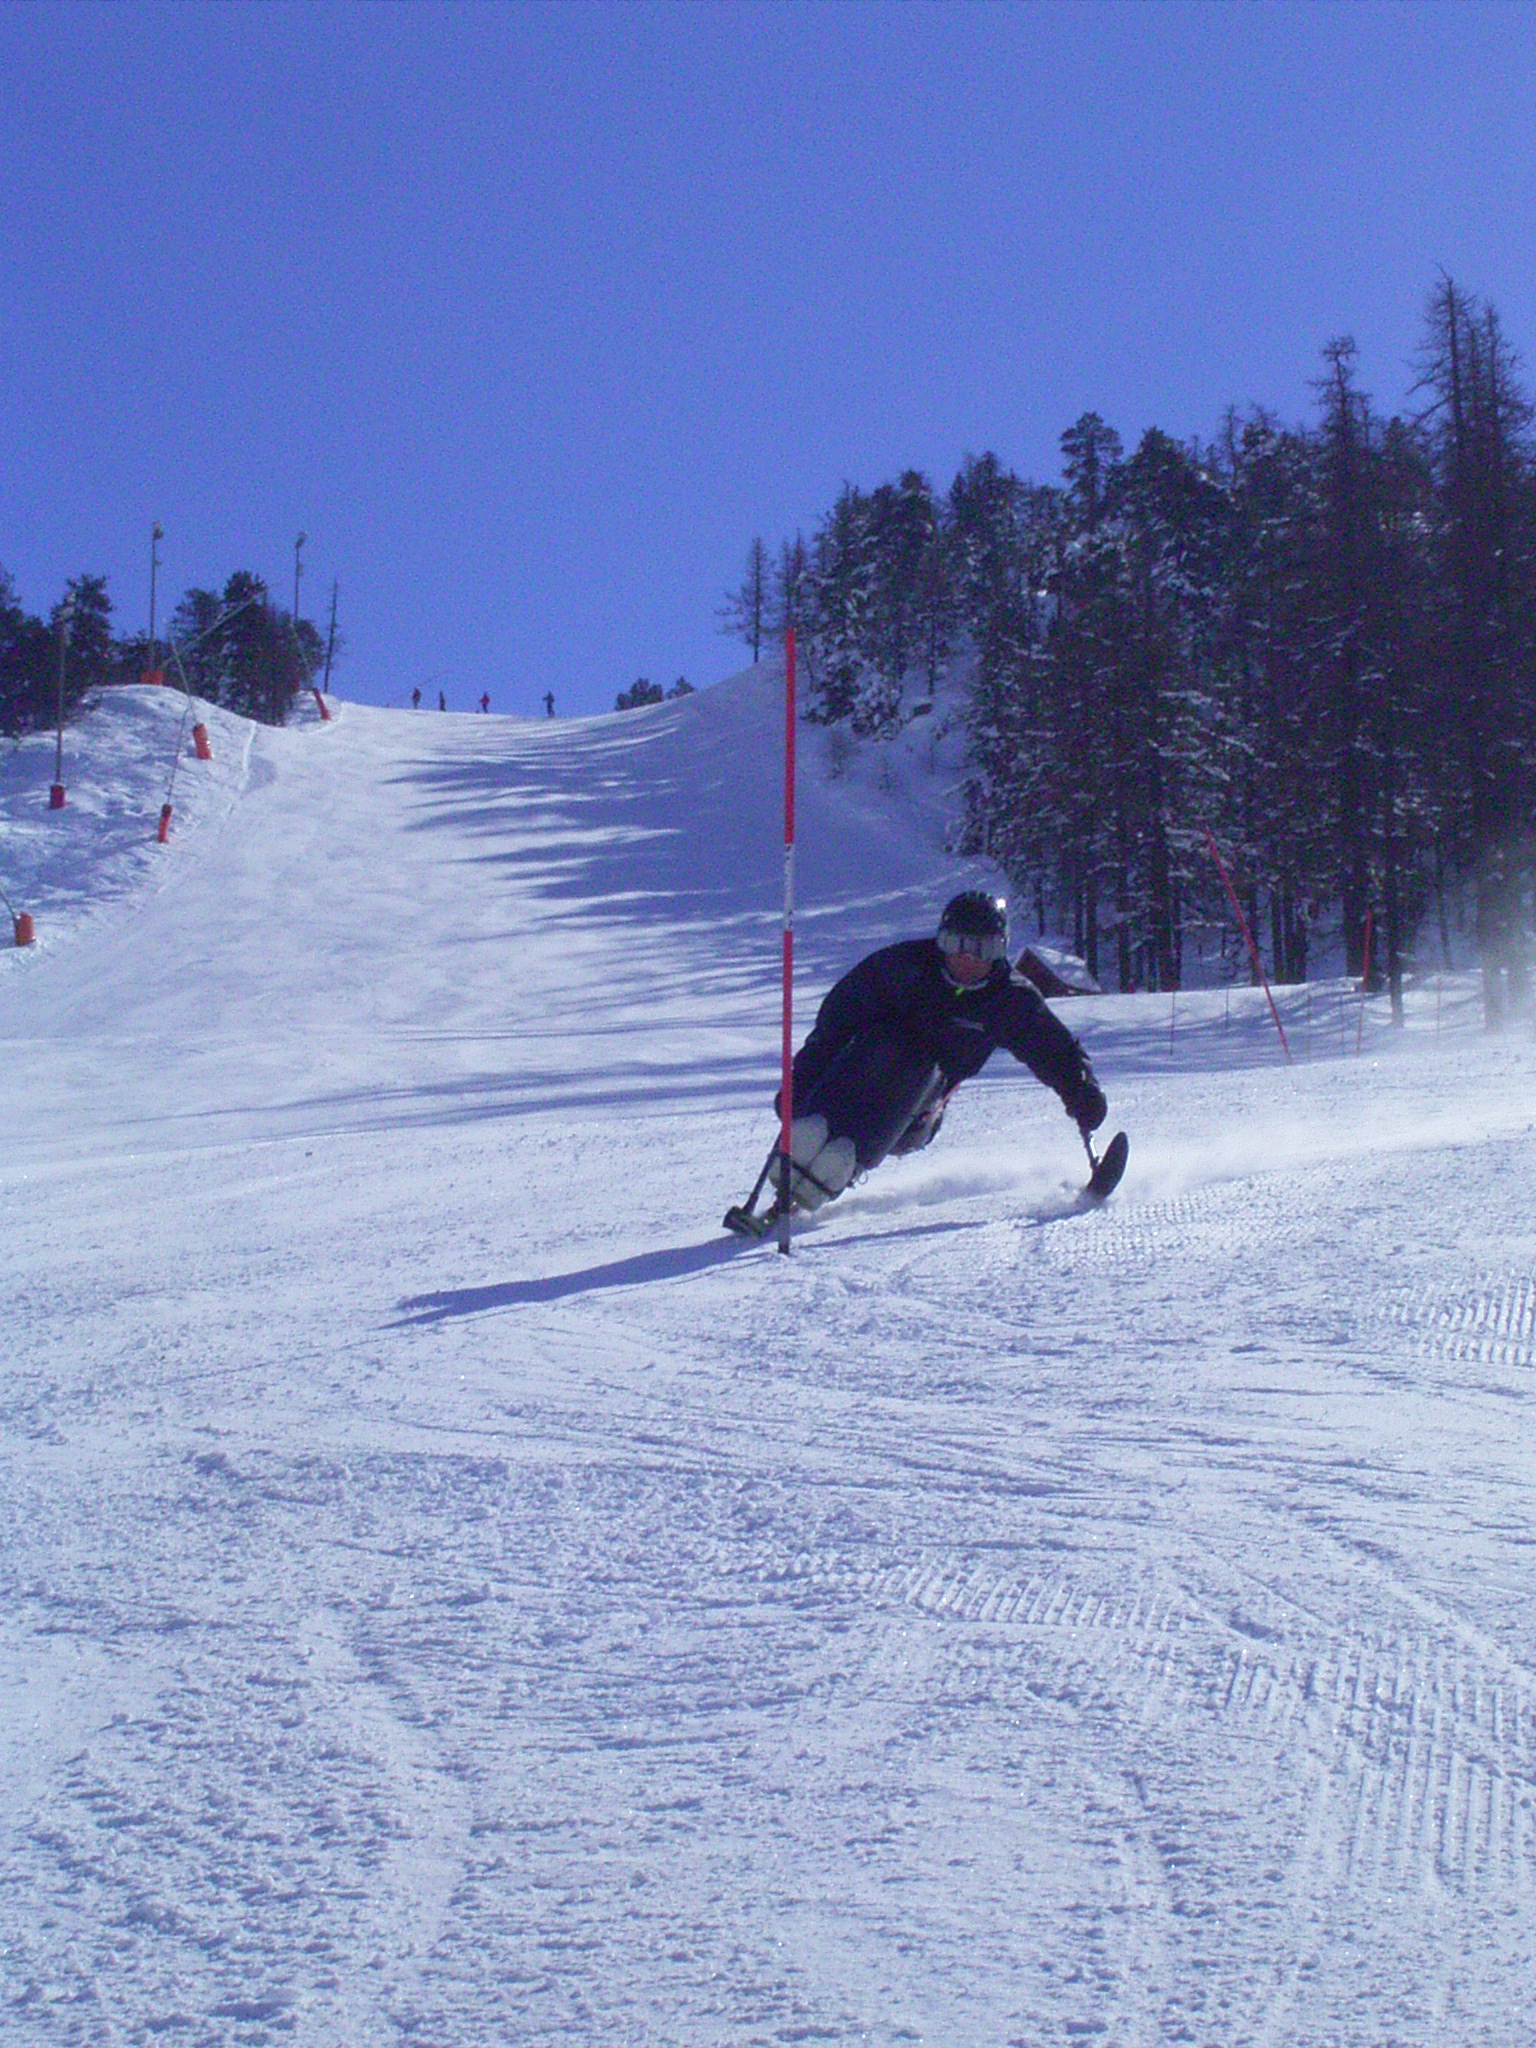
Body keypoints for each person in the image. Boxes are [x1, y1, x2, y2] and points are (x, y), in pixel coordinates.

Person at [775, 891, 1107, 1212]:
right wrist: (801, 1080)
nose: (966, 958)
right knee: (887, 1041)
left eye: (981, 948)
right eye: (956, 944)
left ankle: (840, 1165)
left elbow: (1054, 1051)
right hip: (860, 1075)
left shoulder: (1010, 1000)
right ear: (941, 940)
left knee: (921, 1061)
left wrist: (1081, 1091)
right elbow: (837, 1021)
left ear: (1000, 950)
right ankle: (804, 1142)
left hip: (913, 1116)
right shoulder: (902, 968)